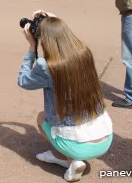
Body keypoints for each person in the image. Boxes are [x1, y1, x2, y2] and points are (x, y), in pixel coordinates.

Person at [18, 10, 113, 182]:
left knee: (41, 118)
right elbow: (63, 37)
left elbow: (23, 81)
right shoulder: (84, 53)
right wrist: (53, 20)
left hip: (79, 147)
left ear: (43, 39)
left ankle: (71, 160)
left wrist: (32, 47)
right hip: (105, 137)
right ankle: (62, 156)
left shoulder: (46, 66)